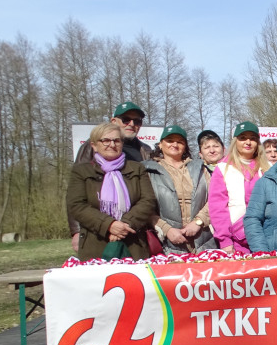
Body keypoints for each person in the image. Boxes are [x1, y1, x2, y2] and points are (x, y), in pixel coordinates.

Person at [70, 101, 153, 251]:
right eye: (126, 119)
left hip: (134, 229)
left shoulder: (145, 150)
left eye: (137, 121)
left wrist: (125, 224)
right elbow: (77, 199)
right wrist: (77, 231)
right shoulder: (89, 149)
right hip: (96, 232)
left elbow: (148, 198)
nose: (131, 124)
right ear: (114, 121)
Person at [144, 125, 217, 255]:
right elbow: (145, 207)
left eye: (180, 141)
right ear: (160, 144)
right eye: (170, 140)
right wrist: (167, 230)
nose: (175, 144)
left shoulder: (200, 168)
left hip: (203, 242)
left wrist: (198, 222)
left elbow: (214, 199)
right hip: (168, 244)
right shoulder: (149, 171)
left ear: (185, 146)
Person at [208, 121, 268, 255]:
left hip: (264, 237)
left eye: (252, 138)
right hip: (236, 242)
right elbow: (217, 207)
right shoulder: (223, 168)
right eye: (243, 138)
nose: (248, 142)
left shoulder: (267, 168)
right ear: (235, 141)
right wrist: (225, 241)